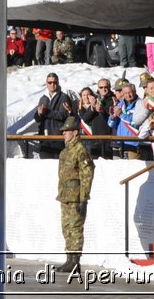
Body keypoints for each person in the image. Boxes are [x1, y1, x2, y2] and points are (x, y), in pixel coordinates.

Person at [54, 114, 93, 276]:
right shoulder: (65, 150)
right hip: (64, 195)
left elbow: (87, 174)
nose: (64, 133)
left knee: (75, 228)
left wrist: (84, 197)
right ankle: (69, 259)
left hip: (76, 195)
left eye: (67, 131)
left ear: (75, 132)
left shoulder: (80, 150)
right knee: (67, 228)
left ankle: (75, 261)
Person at [34, 73, 76, 159]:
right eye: (50, 82)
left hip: (58, 138)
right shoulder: (43, 98)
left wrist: (46, 112)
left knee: (57, 166)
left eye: (54, 82)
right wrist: (39, 113)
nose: (52, 84)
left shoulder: (64, 97)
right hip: (44, 138)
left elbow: (62, 115)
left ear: (58, 83)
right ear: (46, 83)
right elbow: (37, 119)